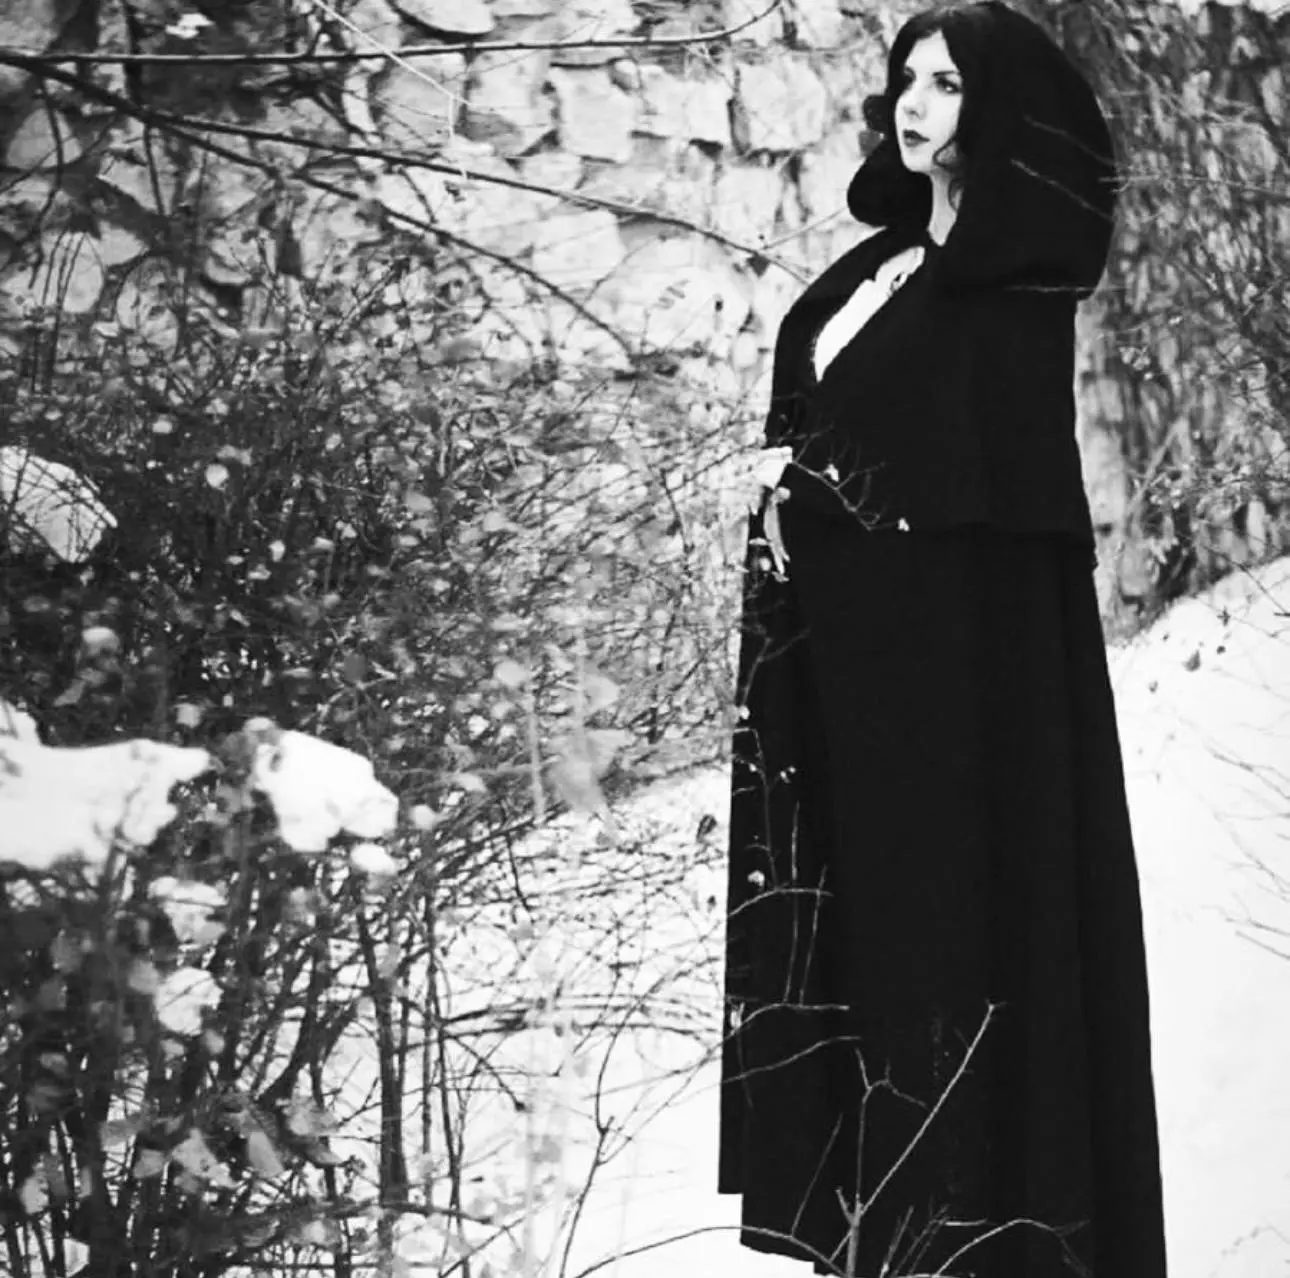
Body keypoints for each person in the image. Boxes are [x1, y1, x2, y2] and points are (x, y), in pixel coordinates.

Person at [718, 4, 1169, 1276]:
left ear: (1001, 107)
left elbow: (981, 527)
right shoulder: (881, 269)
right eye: (906, 79)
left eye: (949, 83)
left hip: (951, 713)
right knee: (859, 960)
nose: (914, 105)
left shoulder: (1012, 296)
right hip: (841, 688)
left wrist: (818, 505)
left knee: (955, 955)